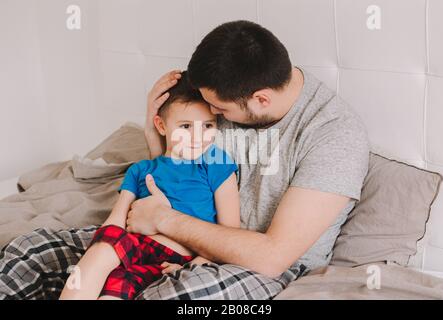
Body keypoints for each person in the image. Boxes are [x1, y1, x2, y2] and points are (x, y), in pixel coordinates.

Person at [0, 20, 369, 300]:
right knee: (30, 252)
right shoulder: (231, 88)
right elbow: (176, 177)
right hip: (172, 235)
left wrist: (164, 218)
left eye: (218, 110)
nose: (211, 113)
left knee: (173, 296)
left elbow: (273, 257)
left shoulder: (333, 134)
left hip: (258, 269)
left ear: (260, 100)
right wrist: (153, 130)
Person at [59, 73, 240, 300]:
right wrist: (99, 247)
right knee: (104, 261)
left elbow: (230, 232)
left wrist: (196, 265)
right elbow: (116, 219)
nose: (198, 137)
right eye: (185, 126)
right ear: (161, 126)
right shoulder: (141, 169)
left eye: (208, 126)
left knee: (112, 270)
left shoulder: (216, 162)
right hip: (133, 245)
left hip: (176, 257)